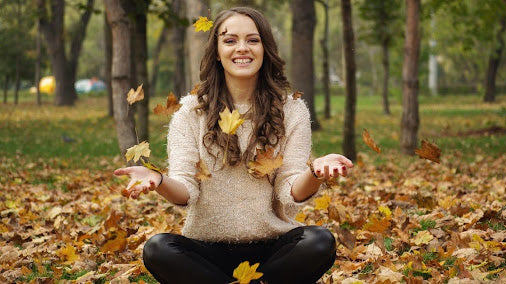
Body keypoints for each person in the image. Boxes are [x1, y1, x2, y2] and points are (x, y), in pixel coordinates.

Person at [114, 7, 353, 284]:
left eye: (252, 40)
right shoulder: (191, 112)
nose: (242, 48)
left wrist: (315, 173)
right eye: (230, 40)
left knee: (320, 241)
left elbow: (290, 190)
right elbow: (185, 191)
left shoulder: (292, 110)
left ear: (265, 48)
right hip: (207, 251)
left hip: (274, 250)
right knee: (158, 249)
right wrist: (158, 179)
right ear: (217, 51)